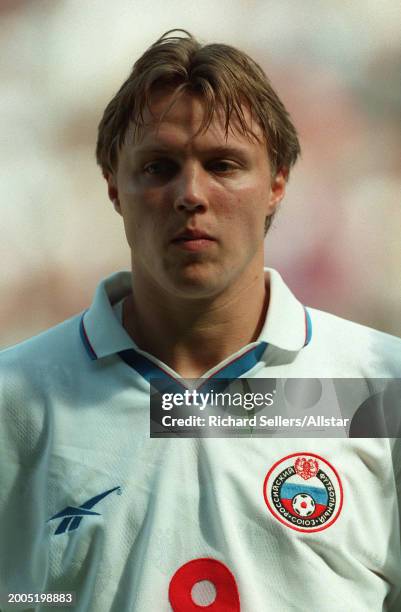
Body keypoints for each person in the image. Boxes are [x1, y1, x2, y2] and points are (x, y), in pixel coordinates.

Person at [0, 29, 400, 612]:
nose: (191, 194)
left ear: (277, 183)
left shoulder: (379, 387)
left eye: (223, 164)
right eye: (159, 167)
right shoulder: (16, 399)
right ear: (114, 186)